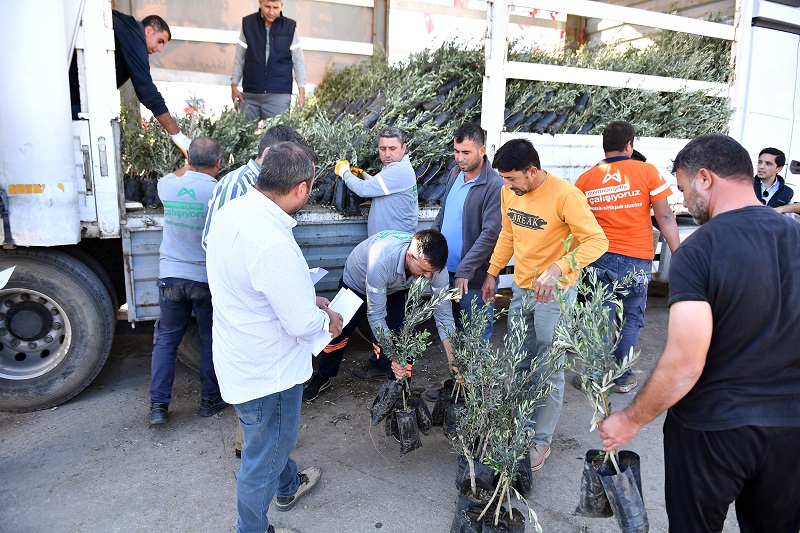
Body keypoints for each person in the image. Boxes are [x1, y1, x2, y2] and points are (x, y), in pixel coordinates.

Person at [599, 134, 800, 532]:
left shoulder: (700, 249)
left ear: (705, 178)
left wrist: (631, 419)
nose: (683, 202)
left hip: (713, 430)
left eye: (683, 189)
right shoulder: (796, 237)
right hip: (791, 429)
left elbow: (685, 362)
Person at [206, 142, 343, 533]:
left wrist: (304, 295)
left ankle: (287, 486)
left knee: (266, 441)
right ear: (301, 188)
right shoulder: (271, 242)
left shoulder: (233, 213)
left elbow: (257, 286)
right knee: (262, 457)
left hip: (241, 356)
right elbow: (301, 324)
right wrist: (327, 321)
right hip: (270, 373)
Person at [480, 138, 608, 472]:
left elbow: (597, 241)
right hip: (523, 288)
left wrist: (558, 268)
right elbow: (508, 234)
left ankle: (541, 439)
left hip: (556, 293)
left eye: (511, 178)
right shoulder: (511, 192)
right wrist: (493, 272)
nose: (506, 185)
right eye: (504, 179)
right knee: (520, 360)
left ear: (532, 171)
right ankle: (520, 423)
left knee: (548, 366)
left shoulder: (566, 195)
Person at [574, 121, 680, 393]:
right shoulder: (646, 171)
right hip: (637, 259)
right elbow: (664, 215)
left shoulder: (585, 179)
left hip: (599, 259)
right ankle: (621, 377)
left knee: (600, 317)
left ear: (604, 146)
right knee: (630, 317)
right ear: (630, 145)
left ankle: (597, 376)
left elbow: (577, 224)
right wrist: (679, 251)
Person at [302, 229, 457, 402]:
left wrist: (453, 360)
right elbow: (376, 316)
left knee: (403, 333)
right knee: (338, 329)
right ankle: (323, 376)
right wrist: (394, 356)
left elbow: (444, 315)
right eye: (423, 270)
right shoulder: (382, 260)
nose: (428, 277)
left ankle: (400, 385)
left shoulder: (434, 268)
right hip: (358, 282)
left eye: (432, 272)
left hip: (396, 287)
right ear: (409, 256)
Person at [148, 138, 225, 426]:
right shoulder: (217, 191)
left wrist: (188, 163)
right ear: (218, 163)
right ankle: (209, 400)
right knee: (209, 339)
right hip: (204, 279)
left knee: (166, 341)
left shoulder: (168, 185)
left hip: (170, 277)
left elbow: (177, 173)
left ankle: (158, 406)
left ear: (189, 159)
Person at [69, 12, 191, 154]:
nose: (160, 49)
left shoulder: (121, 23)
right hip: (72, 99)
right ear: (148, 30)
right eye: (160, 41)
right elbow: (147, 91)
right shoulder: (135, 37)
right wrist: (178, 136)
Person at [202, 124, 307, 250]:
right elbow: (212, 240)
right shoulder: (236, 184)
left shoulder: (274, 184)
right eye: (290, 159)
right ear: (268, 153)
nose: (294, 166)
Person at [231, 0, 306, 122]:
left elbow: (298, 60)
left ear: (281, 6)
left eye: (275, 7)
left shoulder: (290, 27)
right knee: (243, 138)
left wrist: (301, 91)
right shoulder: (248, 24)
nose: (271, 12)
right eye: (267, 7)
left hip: (279, 95)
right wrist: (233, 86)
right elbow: (239, 58)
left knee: (277, 139)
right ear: (260, 3)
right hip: (250, 94)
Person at [334, 127, 419, 236]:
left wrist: (344, 172)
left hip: (393, 244)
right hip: (390, 242)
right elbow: (380, 188)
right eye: (383, 149)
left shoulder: (398, 170)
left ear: (403, 148)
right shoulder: (402, 167)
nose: (387, 154)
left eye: (392, 149)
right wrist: (363, 175)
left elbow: (363, 189)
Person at [754, 147, 797, 212]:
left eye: (768, 164)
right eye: (760, 162)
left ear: (779, 169)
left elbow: (788, 219)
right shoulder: (746, 184)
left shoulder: (787, 192)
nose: (761, 167)